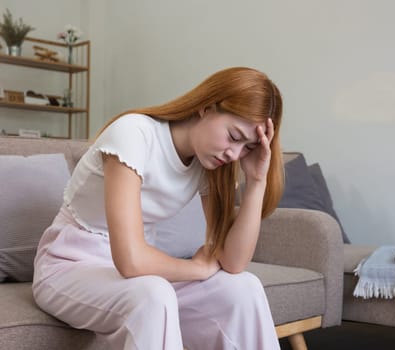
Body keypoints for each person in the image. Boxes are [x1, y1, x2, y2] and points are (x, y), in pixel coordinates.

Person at [32, 67, 284, 350]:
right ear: (206, 108)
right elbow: (131, 260)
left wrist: (257, 181)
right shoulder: (134, 133)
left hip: (141, 274)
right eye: (235, 137)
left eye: (248, 147)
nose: (235, 154)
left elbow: (233, 262)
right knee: (154, 294)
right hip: (70, 265)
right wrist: (196, 268)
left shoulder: (209, 166)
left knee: (244, 288)